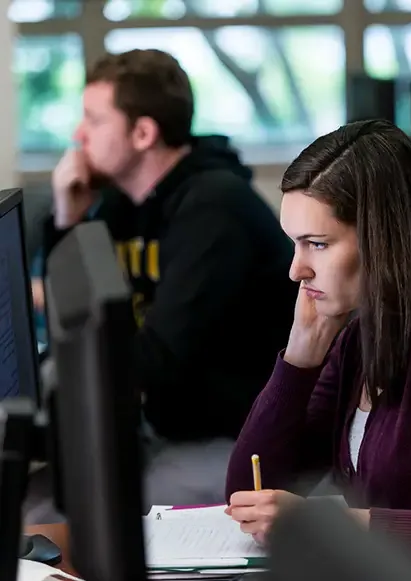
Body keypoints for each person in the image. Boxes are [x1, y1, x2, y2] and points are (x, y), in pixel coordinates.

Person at [39, 48, 296, 504]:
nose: (78, 136)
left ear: (142, 133)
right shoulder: (125, 202)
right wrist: (67, 217)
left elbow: (157, 362)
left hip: (238, 439)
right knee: (47, 490)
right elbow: (79, 318)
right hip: (165, 422)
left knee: (94, 509)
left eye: (94, 120)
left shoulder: (214, 209)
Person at [225, 119, 411, 572]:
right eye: (295, 246)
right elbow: (250, 493)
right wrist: (300, 358)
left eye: (317, 244)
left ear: (384, 238)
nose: (296, 270)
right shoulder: (361, 335)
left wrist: (341, 524)